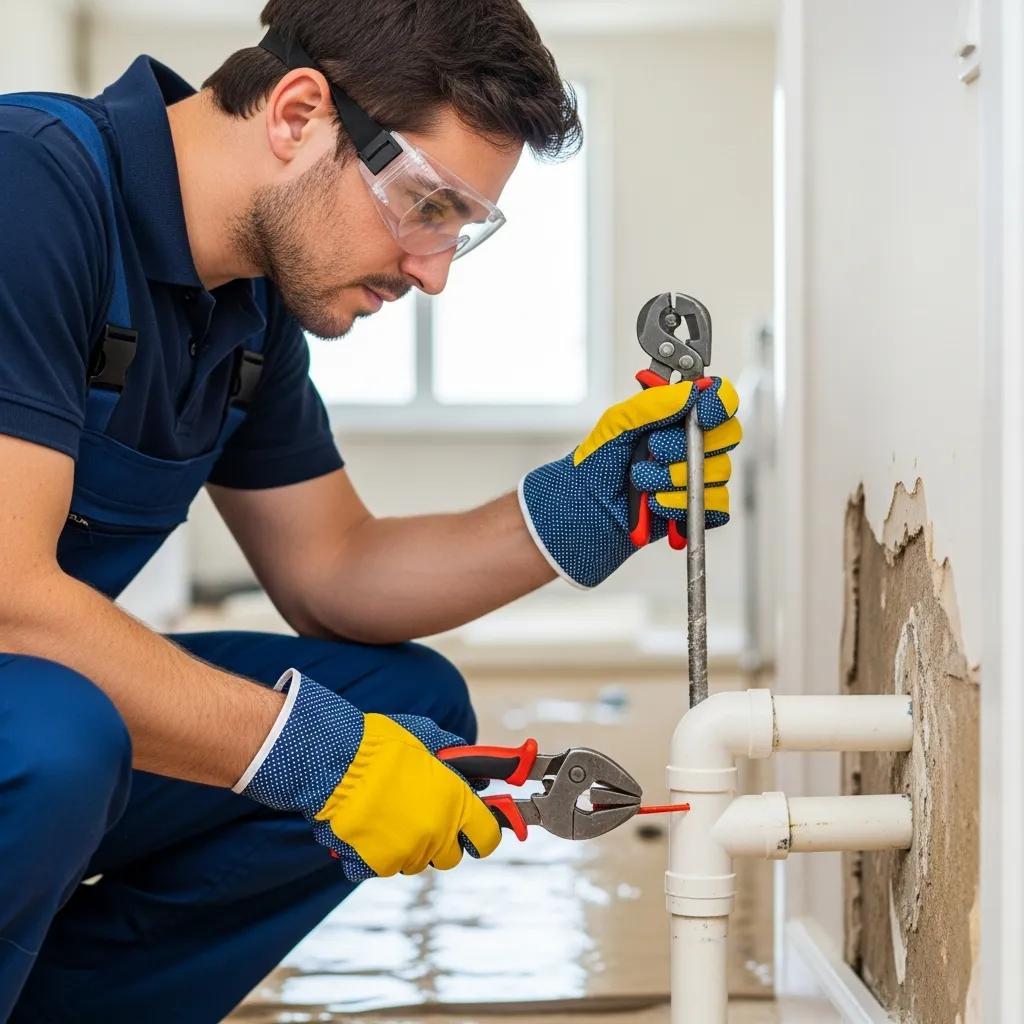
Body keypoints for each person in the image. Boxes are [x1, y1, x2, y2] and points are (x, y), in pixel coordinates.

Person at [0, 1, 741, 1020]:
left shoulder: (249, 308)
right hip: (29, 702)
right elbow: (10, 601)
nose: (431, 271)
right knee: (62, 736)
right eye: (425, 204)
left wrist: (585, 507)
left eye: (461, 230)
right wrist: (318, 758)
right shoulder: (29, 188)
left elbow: (332, 572)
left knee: (411, 714)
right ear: (299, 113)